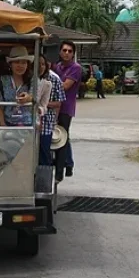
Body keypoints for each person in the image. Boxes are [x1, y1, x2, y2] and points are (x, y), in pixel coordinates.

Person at [53, 40, 82, 180]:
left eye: (70, 51)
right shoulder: (56, 67)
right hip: (53, 105)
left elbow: (65, 86)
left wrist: (49, 85)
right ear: (60, 52)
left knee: (62, 137)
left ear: (73, 54)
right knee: (60, 136)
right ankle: (68, 163)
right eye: (64, 50)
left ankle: (61, 171)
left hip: (66, 107)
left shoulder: (75, 68)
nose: (67, 53)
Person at [0, 45, 35, 127]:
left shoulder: (32, 80)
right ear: (10, 64)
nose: (20, 66)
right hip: (8, 123)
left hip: (28, 125)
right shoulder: (2, 80)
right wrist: (2, 124)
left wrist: (29, 98)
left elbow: (36, 97)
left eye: (23, 62)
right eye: (16, 62)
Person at [37, 54, 65, 168]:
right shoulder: (27, 78)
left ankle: (45, 181)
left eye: (43, 64)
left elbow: (58, 102)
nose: (40, 67)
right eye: (37, 64)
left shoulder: (53, 79)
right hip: (27, 122)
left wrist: (42, 103)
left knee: (44, 153)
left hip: (46, 122)